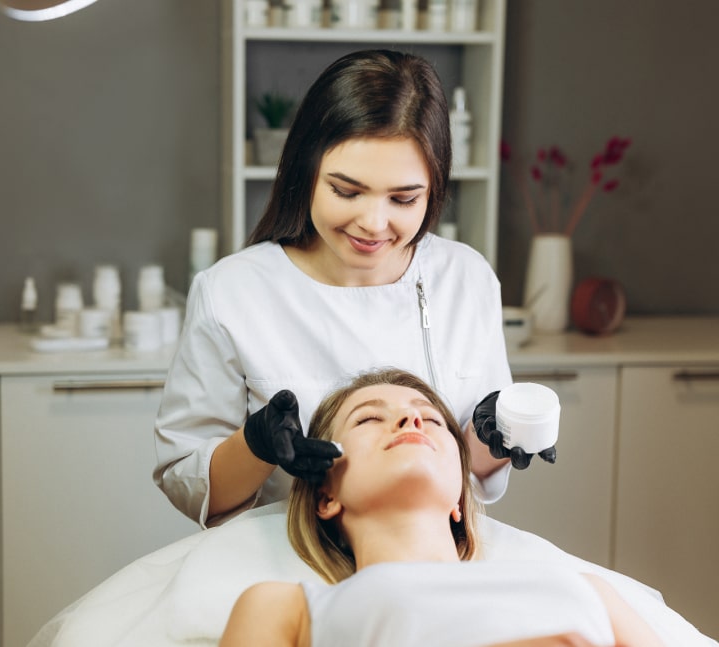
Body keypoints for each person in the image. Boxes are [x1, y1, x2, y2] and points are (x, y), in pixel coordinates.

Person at [154, 49, 553, 529]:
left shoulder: (466, 279)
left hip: (433, 554)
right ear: (306, 172)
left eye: (403, 199)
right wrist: (255, 446)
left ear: (432, 191)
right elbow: (188, 484)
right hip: (288, 557)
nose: (373, 223)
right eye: (346, 191)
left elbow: (465, 478)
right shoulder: (232, 293)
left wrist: (494, 440)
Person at [219, 369, 665, 647]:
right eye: (369, 418)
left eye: (432, 419)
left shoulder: (585, 590)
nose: (411, 420)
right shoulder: (285, 608)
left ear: (460, 497)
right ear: (326, 497)